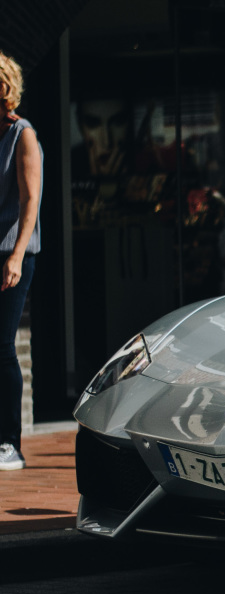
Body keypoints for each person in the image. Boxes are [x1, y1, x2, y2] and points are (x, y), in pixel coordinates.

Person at [0, 52, 41, 471]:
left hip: (12, 253)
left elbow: (31, 202)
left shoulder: (22, 135)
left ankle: (10, 443)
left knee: (1, 347)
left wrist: (15, 255)